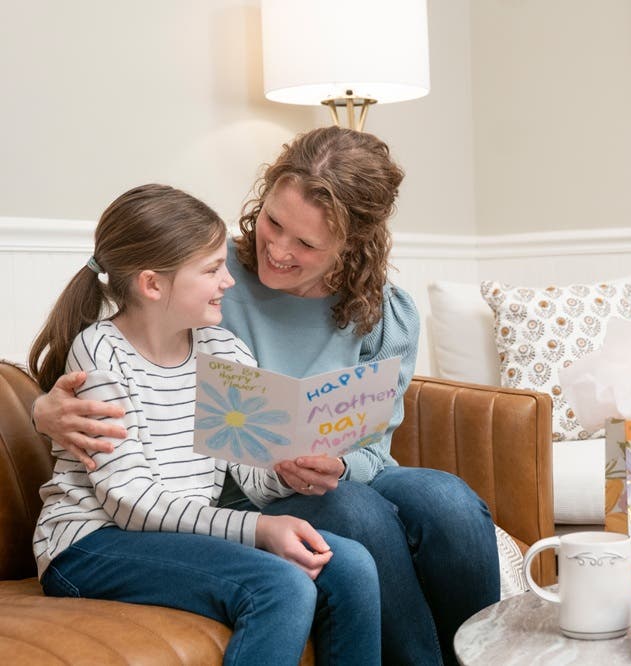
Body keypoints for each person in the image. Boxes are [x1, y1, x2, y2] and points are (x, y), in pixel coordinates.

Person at [31, 127, 500, 666]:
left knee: (450, 503)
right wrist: (42, 410)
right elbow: (111, 325)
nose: (276, 250)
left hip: (308, 478)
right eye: (274, 224)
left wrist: (305, 465)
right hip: (162, 514)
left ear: (351, 245)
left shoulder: (239, 333)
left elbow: (274, 452)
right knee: (350, 521)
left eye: (305, 244)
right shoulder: (196, 273)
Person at [27, 184, 380, 665]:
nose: (229, 281)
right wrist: (258, 529)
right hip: (91, 543)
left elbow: (252, 478)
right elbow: (129, 503)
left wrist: (286, 467)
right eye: (212, 269)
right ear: (153, 285)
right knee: (279, 585)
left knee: (353, 566)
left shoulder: (224, 351)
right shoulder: (102, 353)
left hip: (180, 537)